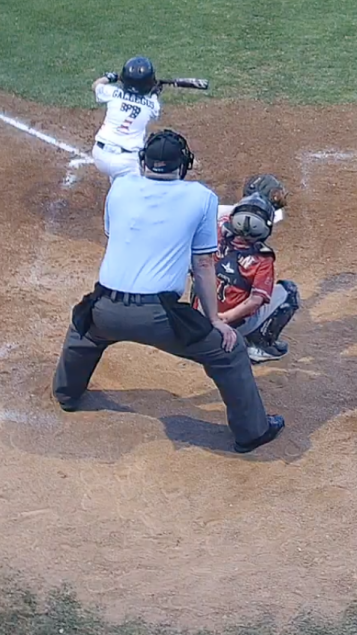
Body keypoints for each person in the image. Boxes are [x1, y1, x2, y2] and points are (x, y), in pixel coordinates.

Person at [52, 130, 285, 454]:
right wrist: (215, 321)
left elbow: (118, 233)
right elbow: (203, 265)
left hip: (104, 309)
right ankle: (252, 432)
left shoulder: (120, 187)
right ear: (184, 165)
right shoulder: (201, 198)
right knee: (229, 353)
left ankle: (66, 394)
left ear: (143, 161)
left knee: (84, 332)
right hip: (161, 318)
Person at [215, 179, 299, 362]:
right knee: (289, 292)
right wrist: (226, 319)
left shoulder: (217, 229)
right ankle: (261, 346)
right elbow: (255, 301)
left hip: (202, 314)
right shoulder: (262, 258)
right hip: (229, 323)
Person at [90, 57, 162, 178]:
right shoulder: (152, 105)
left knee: (115, 176)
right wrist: (155, 93)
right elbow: (154, 106)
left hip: (99, 155)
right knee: (135, 190)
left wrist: (111, 77)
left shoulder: (111, 93)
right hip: (126, 163)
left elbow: (96, 85)